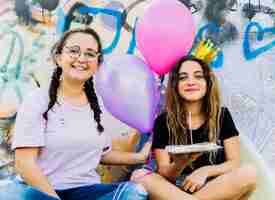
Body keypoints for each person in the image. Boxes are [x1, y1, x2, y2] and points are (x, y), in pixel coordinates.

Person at [0, 28, 151, 200]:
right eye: (74, 51)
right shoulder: (38, 101)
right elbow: (25, 164)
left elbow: (100, 154)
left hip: (85, 192)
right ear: (58, 58)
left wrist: (140, 157)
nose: (81, 59)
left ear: (97, 64)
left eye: (90, 54)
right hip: (40, 191)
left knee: (134, 192)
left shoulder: (97, 104)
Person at [131, 56, 257, 200]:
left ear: (207, 83)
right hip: (174, 191)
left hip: (214, 187)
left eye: (198, 76)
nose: (191, 82)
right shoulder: (163, 121)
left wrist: (204, 171)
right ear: (175, 85)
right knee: (140, 176)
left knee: (249, 172)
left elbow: (234, 162)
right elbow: (164, 173)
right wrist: (180, 163)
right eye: (183, 78)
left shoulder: (221, 115)